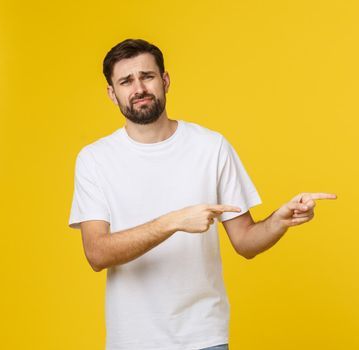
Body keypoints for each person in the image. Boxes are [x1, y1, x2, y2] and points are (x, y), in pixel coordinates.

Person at [68, 38, 337, 350]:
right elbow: (97, 254)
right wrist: (174, 221)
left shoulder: (211, 147)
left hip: (204, 337)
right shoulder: (95, 159)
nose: (138, 88)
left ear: (165, 80)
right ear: (112, 94)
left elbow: (246, 243)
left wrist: (279, 220)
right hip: (133, 340)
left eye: (147, 76)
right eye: (126, 81)